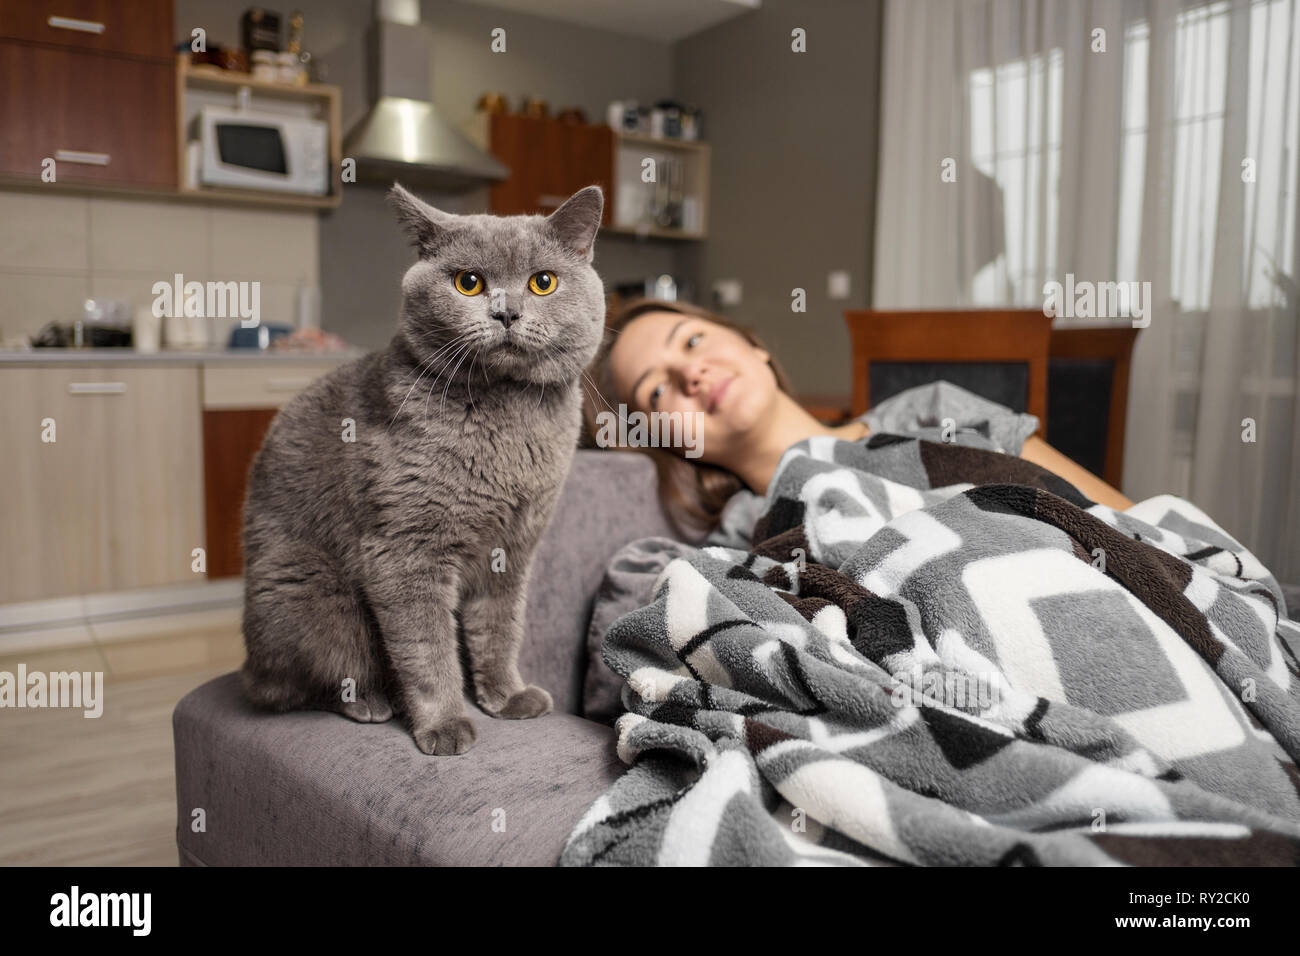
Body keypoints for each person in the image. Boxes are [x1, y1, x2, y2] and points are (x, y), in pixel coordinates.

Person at [583, 298, 1135, 540]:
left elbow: (1130, 521)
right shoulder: (746, 536)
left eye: (693, 339)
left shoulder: (935, 410)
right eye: (656, 391)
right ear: (672, 443)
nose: (691, 372)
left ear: (753, 346)